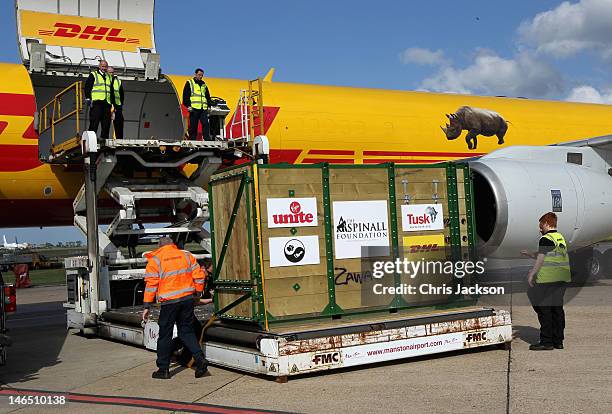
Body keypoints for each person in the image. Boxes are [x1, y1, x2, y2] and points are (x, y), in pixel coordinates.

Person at [142, 237, 208, 379]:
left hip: (169, 303)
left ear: (159, 246)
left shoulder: (156, 260)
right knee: (187, 332)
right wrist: (197, 293)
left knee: (165, 334)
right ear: (173, 245)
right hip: (187, 300)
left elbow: (151, 285)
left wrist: (147, 306)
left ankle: (163, 369)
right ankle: (200, 359)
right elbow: (199, 276)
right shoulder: (186, 255)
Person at [521, 212, 571, 351]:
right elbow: (546, 254)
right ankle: (558, 340)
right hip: (562, 279)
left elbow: (541, 259)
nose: (540, 228)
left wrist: (532, 273)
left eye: (541, 225)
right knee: (557, 309)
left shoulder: (545, 238)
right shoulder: (559, 238)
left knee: (543, 309)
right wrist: (530, 254)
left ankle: (546, 341)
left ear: (547, 224)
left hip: (548, 280)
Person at [84, 60, 112, 139]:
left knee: (106, 125)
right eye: (102, 66)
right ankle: (90, 140)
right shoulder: (94, 75)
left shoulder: (109, 76)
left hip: (107, 103)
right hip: (97, 103)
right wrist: (88, 98)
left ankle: (104, 142)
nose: (104, 68)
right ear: (99, 66)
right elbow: (87, 87)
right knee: (94, 123)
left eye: (105, 66)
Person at [182, 68, 212, 141]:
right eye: (199, 75)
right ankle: (192, 139)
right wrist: (188, 105)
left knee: (206, 123)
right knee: (193, 125)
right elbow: (185, 95)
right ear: (195, 74)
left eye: (202, 75)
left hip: (203, 109)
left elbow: (207, 96)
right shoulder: (190, 83)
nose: (200, 76)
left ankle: (206, 138)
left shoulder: (204, 84)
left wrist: (209, 106)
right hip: (193, 108)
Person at [108, 66, 124, 140]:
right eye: (109, 72)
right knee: (105, 123)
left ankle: (119, 139)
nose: (111, 74)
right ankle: (104, 138)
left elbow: (121, 93)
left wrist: (120, 104)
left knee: (119, 122)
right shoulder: (105, 80)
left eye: (112, 72)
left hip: (117, 105)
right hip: (107, 104)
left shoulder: (117, 81)